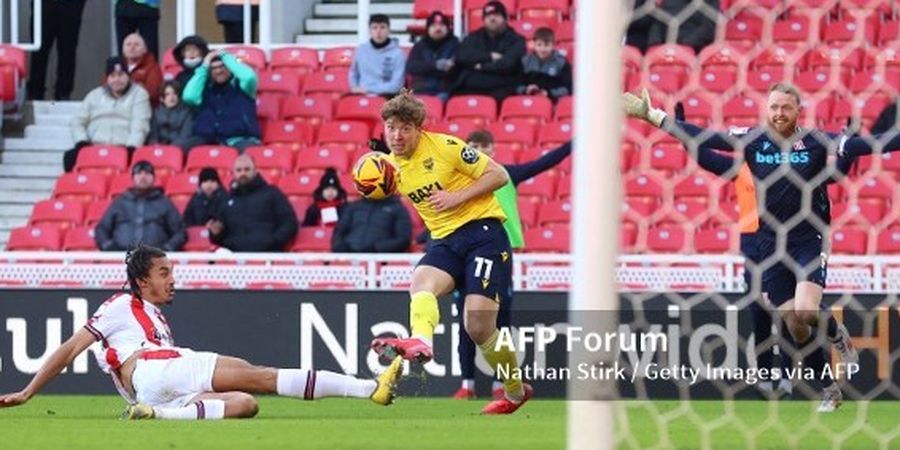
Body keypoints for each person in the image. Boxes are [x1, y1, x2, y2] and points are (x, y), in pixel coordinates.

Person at [620, 84, 900, 411]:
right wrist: (654, 116)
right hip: (771, 245)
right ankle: (829, 388)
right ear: (766, 109)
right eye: (774, 107)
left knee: (806, 311)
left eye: (786, 108)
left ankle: (838, 336)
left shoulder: (814, 141)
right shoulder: (752, 139)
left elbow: (870, 145)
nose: (779, 113)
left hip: (809, 240)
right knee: (795, 324)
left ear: (798, 112)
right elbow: (705, 138)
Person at [0, 244, 404, 419]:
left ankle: (156, 415)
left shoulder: (153, 317)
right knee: (258, 374)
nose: (173, 280)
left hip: (156, 389)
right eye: (163, 273)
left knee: (245, 403)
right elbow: (71, 348)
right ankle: (370, 389)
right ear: (141, 281)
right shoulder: (120, 305)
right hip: (153, 370)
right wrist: (28, 391)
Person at [368, 91, 531, 415]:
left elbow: (499, 175)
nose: (396, 135)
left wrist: (457, 197)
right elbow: (371, 182)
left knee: (477, 326)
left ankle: (515, 390)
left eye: (404, 128)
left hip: (483, 234)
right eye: (390, 128)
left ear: (418, 129)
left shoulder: (446, 147)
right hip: (444, 240)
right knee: (421, 282)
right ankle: (421, 342)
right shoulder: (389, 165)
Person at [451, 130, 572, 400]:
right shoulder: (459, 181)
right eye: (474, 147)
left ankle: (500, 384)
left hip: (500, 253)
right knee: (466, 322)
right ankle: (467, 385)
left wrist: (577, 141)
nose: (480, 151)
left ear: (493, 149)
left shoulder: (506, 175)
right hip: (467, 252)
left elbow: (546, 162)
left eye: (484, 146)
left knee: (501, 323)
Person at [65, 56, 151, 172]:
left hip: (123, 147)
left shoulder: (139, 94)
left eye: (121, 75)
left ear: (128, 76)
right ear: (107, 78)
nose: (117, 80)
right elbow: (77, 121)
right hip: (94, 147)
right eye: (113, 76)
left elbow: (140, 124)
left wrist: (131, 147)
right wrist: (82, 142)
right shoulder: (94, 95)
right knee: (70, 157)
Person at [207, 155, 298, 252]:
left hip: (267, 257)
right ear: (233, 173)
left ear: (255, 171)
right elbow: (219, 236)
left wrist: (273, 241)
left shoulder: (272, 193)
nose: (243, 173)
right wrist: (215, 233)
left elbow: (290, 222)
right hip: (235, 259)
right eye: (239, 170)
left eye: (247, 169)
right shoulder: (226, 199)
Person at [95, 161, 186, 252]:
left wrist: (167, 248)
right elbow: (101, 229)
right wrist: (109, 247)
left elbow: (180, 232)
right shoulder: (120, 202)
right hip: (121, 257)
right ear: (133, 178)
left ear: (153, 178)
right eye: (139, 174)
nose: (143, 177)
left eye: (147, 173)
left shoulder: (164, 203)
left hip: (154, 259)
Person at [183, 50, 261, 152]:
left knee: (250, 152)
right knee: (177, 150)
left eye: (222, 66)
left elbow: (249, 77)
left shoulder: (243, 87)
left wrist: (224, 56)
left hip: (240, 139)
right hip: (207, 139)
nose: (218, 71)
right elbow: (189, 96)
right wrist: (204, 67)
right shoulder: (204, 88)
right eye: (214, 68)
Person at [452, 1, 526, 101]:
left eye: (496, 15)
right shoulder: (474, 37)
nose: (492, 19)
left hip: (501, 88)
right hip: (471, 87)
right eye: (488, 16)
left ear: (505, 18)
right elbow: (461, 56)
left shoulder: (517, 40)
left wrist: (481, 66)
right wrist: (489, 56)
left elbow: (506, 65)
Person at [26, 0, 87, 101]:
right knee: (39, 48)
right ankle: (35, 91)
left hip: (71, 4)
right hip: (43, 3)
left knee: (68, 48)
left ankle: (63, 92)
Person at [405, 11, 459, 101]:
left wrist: (425, 68)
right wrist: (436, 65)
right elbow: (411, 67)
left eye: (442, 25)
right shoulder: (420, 46)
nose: (438, 28)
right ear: (428, 28)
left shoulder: (455, 45)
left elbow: (455, 69)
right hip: (420, 90)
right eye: (433, 25)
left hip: (444, 92)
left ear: (448, 28)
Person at [331, 193, 412, 253]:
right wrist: (340, 246)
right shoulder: (354, 206)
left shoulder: (397, 208)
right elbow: (339, 231)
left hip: (380, 260)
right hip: (350, 258)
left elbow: (403, 239)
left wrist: (376, 248)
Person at [349, 14, 407, 96]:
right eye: (375, 27)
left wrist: (368, 89)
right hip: (361, 95)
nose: (378, 31)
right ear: (369, 31)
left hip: (388, 97)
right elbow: (353, 73)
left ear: (389, 30)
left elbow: (397, 85)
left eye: (382, 27)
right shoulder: (361, 50)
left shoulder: (398, 54)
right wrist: (354, 87)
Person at [515, 27, 572, 102]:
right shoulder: (525, 61)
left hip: (552, 101)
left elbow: (568, 88)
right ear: (534, 45)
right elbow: (516, 85)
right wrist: (526, 89)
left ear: (553, 45)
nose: (542, 49)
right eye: (539, 45)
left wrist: (549, 93)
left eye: (546, 45)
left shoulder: (561, 62)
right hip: (528, 99)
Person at [148, 81, 203, 153]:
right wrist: (156, 145)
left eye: (174, 93)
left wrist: (171, 147)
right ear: (162, 98)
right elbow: (153, 135)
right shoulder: (156, 112)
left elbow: (185, 135)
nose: (172, 97)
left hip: (179, 148)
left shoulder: (186, 112)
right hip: (159, 149)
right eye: (167, 94)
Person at [121, 33, 163, 108]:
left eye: (136, 44)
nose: (132, 47)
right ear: (123, 50)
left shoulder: (152, 67)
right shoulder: (117, 65)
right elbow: (105, 88)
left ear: (145, 49)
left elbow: (153, 93)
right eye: (128, 44)